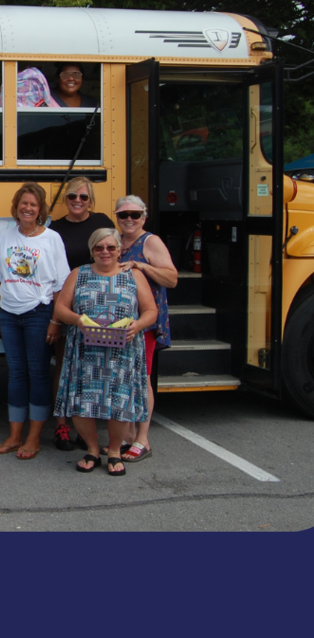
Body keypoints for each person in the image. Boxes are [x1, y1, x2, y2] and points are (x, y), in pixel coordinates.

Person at [53, 227, 157, 475]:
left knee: (119, 404)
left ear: (119, 249)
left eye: (111, 247)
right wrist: (78, 320)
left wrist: (138, 325)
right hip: (85, 350)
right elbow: (60, 309)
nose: (105, 252)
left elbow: (151, 311)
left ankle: (112, 450)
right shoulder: (79, 274)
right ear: (92, 251)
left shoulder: (133, 275)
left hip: (123, 352)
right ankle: (91, 449)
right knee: (82, 403)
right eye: (99, 247)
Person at [0, 182, 71, 459]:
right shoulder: (6, 236)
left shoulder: (52, 239)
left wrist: (56, 321)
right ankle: (14, 435)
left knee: (38, 374)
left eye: (33, 204)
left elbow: (60, 284)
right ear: (16, 206)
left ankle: (33, 438)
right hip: (9, 315)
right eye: (24, 203)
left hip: (39, 313)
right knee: (16, 375)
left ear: (41, 209)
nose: (28, 208)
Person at [48, 177, 116, 450]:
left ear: (91, 201)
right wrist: (55, 317)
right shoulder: (56, 228)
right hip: (68, 304)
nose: (78, 201)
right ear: (66, 199)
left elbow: (113, 256)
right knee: (65, 366)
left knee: (96, 369)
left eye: (84, 197)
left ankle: (87, 428)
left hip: (101, 306)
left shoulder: (102, 223)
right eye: (72, 196)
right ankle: (62, 425)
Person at [115, 195, 178, 462]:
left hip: (145, 323)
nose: (129, 219)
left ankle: (143, 439)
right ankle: (128, 435)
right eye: (123, 215)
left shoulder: (149, 242)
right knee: (124, 378)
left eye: (135, 215)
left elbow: (172, 277)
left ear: (144, 216)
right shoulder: (116, 242)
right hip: (119, 323)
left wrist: (142, 265)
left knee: (142, 379)